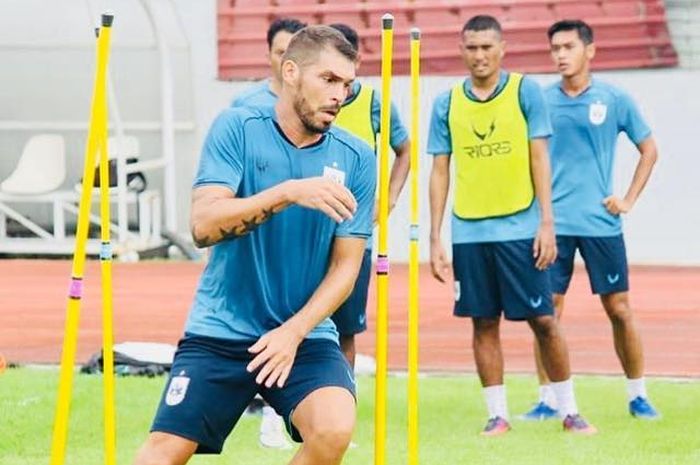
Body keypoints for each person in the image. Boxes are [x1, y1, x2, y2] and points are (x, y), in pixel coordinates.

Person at [131, 26, 376, 465]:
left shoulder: (357, 158)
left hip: (303, 334)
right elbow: (203, 226)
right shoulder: (237, 128)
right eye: (329, 80)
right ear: (291, 72)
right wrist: (287, 192)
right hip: (222, 328)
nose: (340, 94)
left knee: (334, 428)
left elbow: (345, 269)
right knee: (160, 455)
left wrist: (293, 331)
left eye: (347, 85)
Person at [427, 15, 596, 436]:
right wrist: (435, 236)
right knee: (483, 322)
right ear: (461, 49)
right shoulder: (446, 103)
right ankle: (497, 414)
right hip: (470, 232)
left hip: (521, 230)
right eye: (471, 47)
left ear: (502, 48)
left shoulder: (526, 93)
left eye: (487, 47)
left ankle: (569, 410)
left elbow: (540, 158)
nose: (479, 55)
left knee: (543, 320)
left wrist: (547, 223)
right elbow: (440, 170)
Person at [520, 19, 660, 421]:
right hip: (553, 225)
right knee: (548, 311)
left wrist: (628, 199)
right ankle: (548, 399)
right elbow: (531, 159)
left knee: (619, 308)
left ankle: (638, 394)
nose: (561, 55)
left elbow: (649, 149)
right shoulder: (541, 101)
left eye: (568, 47)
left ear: (590, 50)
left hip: (601, 224)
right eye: (555, 49)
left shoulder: (614, 98)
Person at [230, 17, 306, 450]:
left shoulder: (319, 106)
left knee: (302, 325)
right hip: (257, 237)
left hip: (302, 239)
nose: (289, 62)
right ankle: (261, 413)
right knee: (257, 326)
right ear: (270, 56)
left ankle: (297, 416)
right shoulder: (245, 106)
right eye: (281, 53)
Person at [328, 22, 410, 369]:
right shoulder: (307, 102)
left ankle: (340, 401)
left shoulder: (375, 102)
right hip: (309, 231)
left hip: (353, 235)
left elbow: (404, 150)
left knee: (345, 330)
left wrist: (387, 201)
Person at [231, 17, 306, 109]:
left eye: (294, 53)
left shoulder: (319, 101)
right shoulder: (245, 104)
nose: (288, 61)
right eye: (281, 53)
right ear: (269, 58)